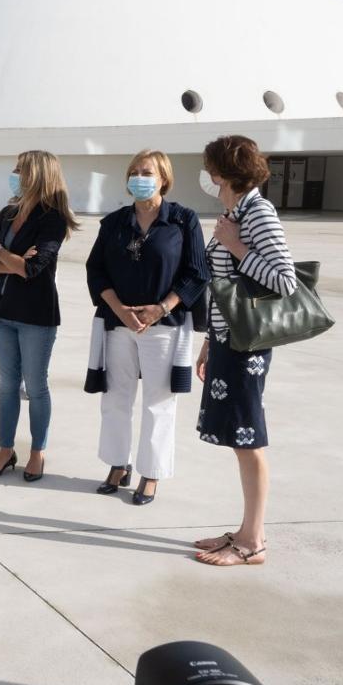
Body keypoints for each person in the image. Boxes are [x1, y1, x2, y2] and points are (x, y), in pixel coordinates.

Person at [192, 135, 297, 567]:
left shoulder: (258, 213)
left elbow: (285, 281)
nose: (206, 175)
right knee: (239, 437)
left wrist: (236, 245)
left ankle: (253, 542)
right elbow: (225, 288)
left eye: (209, 167)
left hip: (246, 345)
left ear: (222, 172)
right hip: (227, 339)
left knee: (248, 437)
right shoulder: (237, 213)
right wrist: (208, 340)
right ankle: (245, 530)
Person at [85, 150, 210, 505]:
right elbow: (96, 270)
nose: (139, 177)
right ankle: (117, 464)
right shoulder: (114, 223)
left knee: (158, 402)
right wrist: (119, 310)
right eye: (135, 172)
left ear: (163, 178)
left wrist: (161, 308)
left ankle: (151, 472)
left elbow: (197, 273)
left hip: (164, 325)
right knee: (115, 398)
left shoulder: (183, 220)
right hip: (119, 323)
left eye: (147, 172)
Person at [0, 150, 78, 482]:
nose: (15, 174)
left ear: (38, 175)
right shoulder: (8, 213)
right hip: (2, 312)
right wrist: (9, 256)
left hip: (36, 316)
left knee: (35, 386)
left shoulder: (52, 219)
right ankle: (5, 450)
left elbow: (32, 269)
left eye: (20, 169)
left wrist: (0, 252)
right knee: (7, 385)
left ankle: (37, 452)